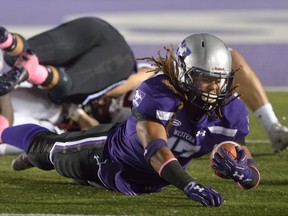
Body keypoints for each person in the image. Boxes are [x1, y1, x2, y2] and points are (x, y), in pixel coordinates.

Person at [1, 34, 260, 207]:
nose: (213, 88)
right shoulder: (158, 94)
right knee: (44, 149)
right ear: (184, 75)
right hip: (105, 155)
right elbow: (155, 150)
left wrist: (245, 173)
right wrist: (188, 184)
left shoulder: (231, 111)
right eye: (205, 79)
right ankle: (6, 133)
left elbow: (243, 154)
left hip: (144, 182)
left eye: (219, 80)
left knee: (81, 180)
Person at [0, 18, 287, 154]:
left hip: (103, 74)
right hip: (116, 129)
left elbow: (138, 74)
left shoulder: (155, 83)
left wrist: (97, 95)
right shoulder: (62, 117)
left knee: (231, 58)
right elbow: (80, 138)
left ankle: (273, 127)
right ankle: (34, 69)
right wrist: (77, 114)